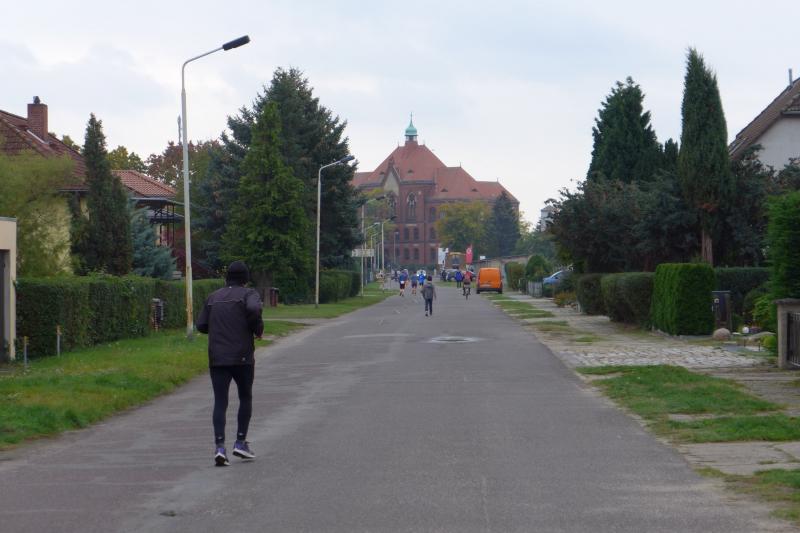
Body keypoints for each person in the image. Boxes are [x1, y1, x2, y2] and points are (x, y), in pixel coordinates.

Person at [196, 260, 264, 467]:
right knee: (245, 397)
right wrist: (257, 328)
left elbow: (201, 325)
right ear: (245, 278)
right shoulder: (249, 294)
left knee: (220, 401)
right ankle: (240, 442)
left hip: (217, 357)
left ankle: (219, 447)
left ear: (227, 278)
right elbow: (254, 308)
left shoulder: (213, 297)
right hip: (242, 357)